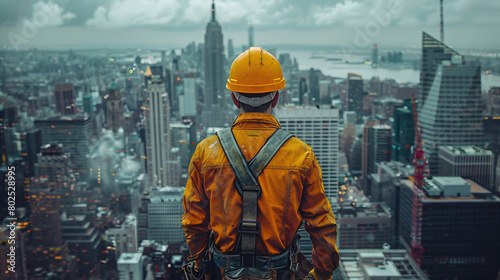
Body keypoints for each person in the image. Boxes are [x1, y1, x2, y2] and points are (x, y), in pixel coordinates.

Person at [182, 47, 339, 280]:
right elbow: (321, 223)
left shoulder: (206, 152)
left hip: (223, 273)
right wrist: (322, 273)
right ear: (276, 97)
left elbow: (194, 221)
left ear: (235, 98)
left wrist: (198, 263)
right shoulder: (301, 155)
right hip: (280, 272)